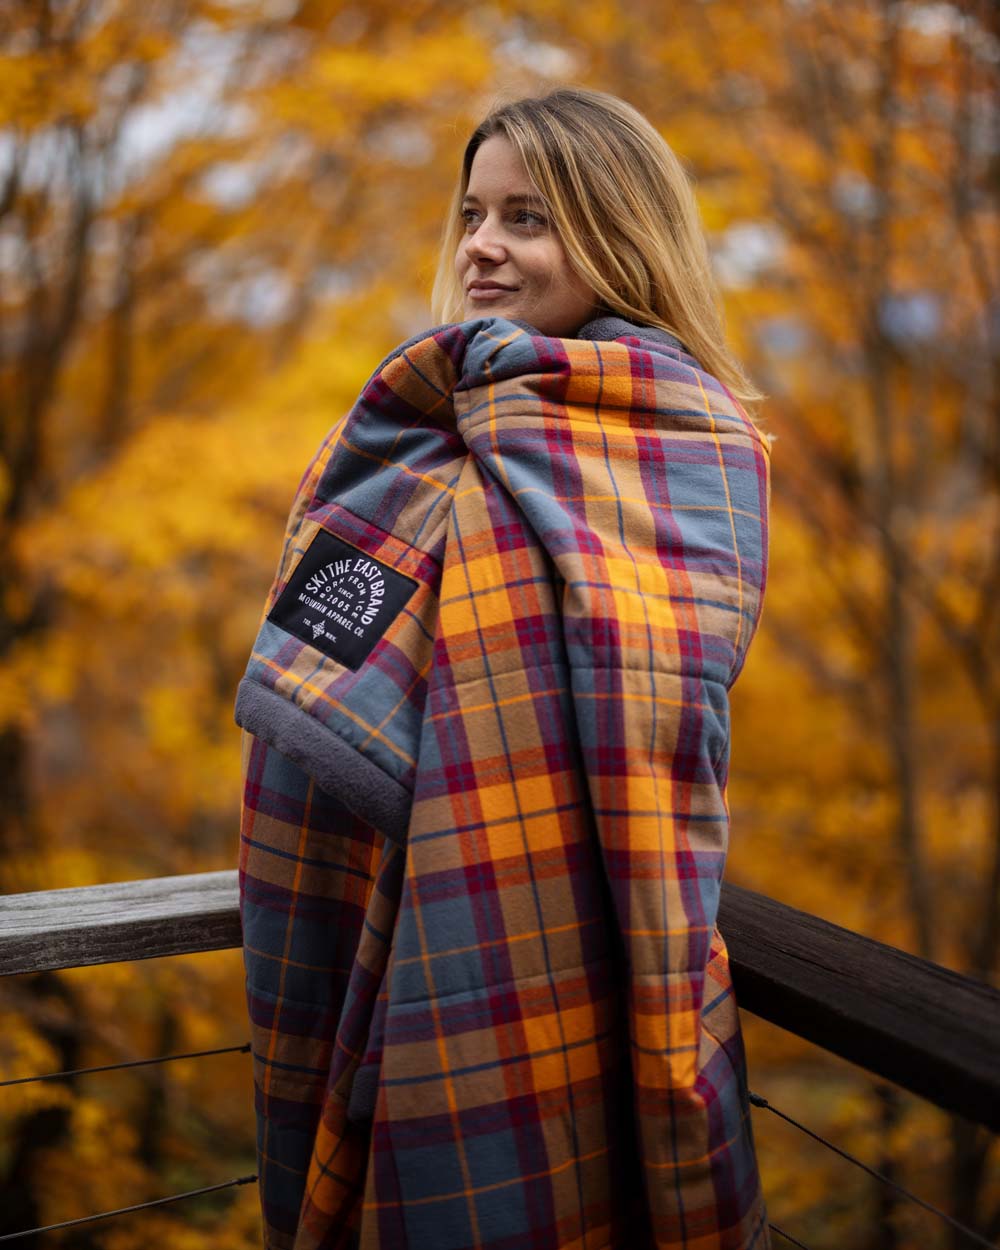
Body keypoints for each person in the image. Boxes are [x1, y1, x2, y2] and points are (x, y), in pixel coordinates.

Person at [236, 86, 772, 1250]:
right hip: (382, 876)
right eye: (473, 212)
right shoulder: (424, 420)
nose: (481, 245)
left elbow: (658, 712)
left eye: (527, 217)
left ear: (618, 232)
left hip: (559, 904)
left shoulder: (684, 439)